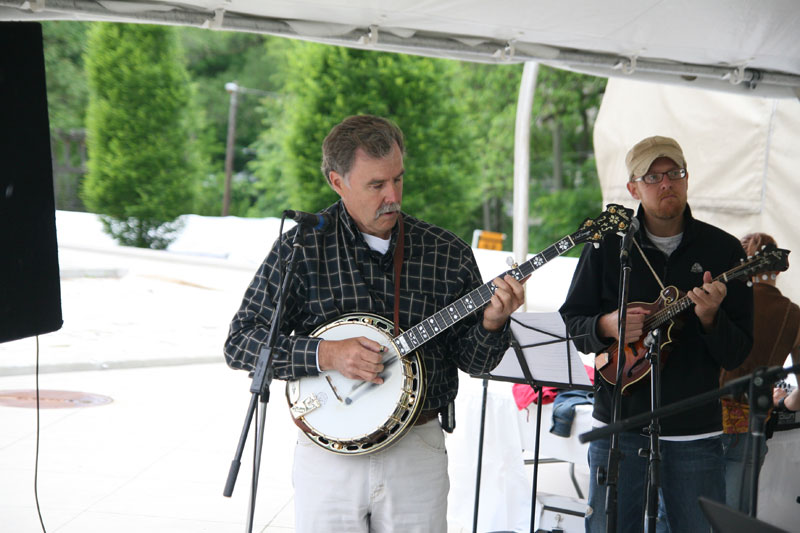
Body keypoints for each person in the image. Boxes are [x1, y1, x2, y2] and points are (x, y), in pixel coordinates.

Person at [223, 114, 525, 532]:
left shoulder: (446, 253)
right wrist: (325, 354)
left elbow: (474, 363)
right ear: (337, 181)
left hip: (416, 449)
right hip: (329, 457)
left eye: (398, 180)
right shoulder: (302, 247)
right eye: (376, 185)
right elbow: (241, 342)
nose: (393, 196)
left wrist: (493, 323)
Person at [559, 135, 754, 532]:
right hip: (619, 425)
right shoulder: (608, 246)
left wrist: (711, 318)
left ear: (686, 178)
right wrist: (606, 325)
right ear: (633, 187)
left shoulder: (724, 250)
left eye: (675, 173)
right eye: (653, 176)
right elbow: (573, 323)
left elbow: (737, 354)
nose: (666, 184)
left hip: (695, 428)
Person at [719, 232, 800, 514]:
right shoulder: (792, 313)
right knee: (733, 520)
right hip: (750, 425)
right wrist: (782, 401)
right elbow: (799, 398)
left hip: (705, 422)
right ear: (778, 268)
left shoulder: (723, 302)